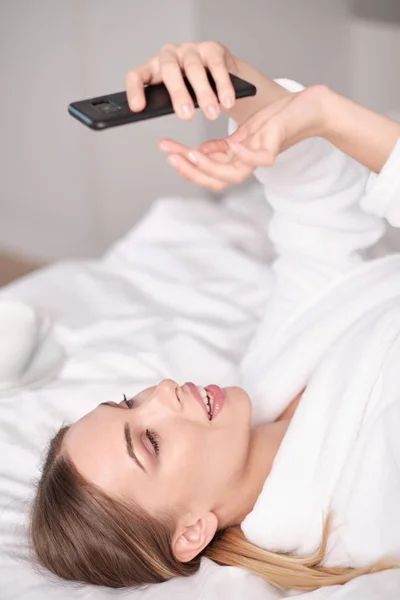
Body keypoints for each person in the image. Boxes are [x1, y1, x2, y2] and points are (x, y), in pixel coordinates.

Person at [29, 41, 400, 592]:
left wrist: (234, 85)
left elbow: (320, 228)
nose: (163, 392)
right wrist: (329, 115)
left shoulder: (270, 379)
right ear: (192, 533)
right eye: (150, 441)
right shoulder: (367, 499)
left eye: (130, 399)